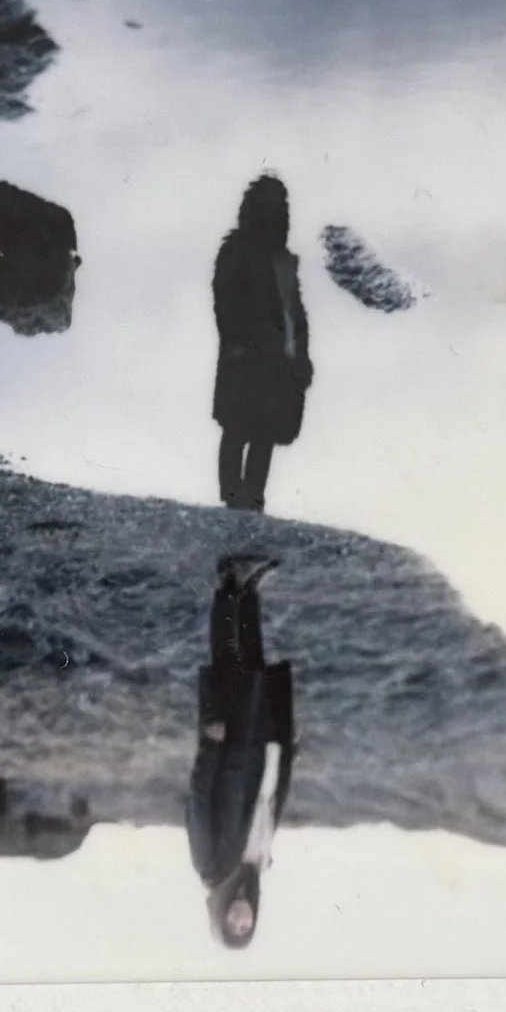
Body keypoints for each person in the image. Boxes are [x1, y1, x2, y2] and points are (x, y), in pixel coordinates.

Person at [188, 554, 296, 947]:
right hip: (264, 757)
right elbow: (268, 805)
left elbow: (199, 803)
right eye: (245, 928)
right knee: (255, 670)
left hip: (231, 751)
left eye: (231, 925)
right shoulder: (258, 867)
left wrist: (209, 747)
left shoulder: (211, 869)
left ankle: (226, 587)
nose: (240, 919)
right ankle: (249, 594)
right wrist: (287, 755)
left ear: (219, 916)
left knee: (228, 666)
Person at [212, 175, 312, 511]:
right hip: (248, 353)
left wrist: (301, 355)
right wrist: (236, 342)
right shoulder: (237, 251)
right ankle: (233, 494)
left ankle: (253, 496)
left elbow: (294, 311)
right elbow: (225, 300)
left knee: (265, 430)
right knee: (239, 425)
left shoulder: (283, 260)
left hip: (278, 358)